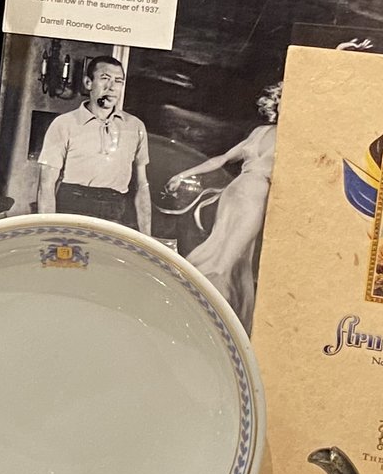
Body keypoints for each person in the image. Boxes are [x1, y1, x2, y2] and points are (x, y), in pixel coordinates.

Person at [167, 81, 280, 326]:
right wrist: (184, 175)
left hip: (257, 198)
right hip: (235, 193)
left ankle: (216, 318)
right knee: (218, 249)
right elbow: (223, 158)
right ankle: (198, 311)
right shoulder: (259, 131)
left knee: (231, 260)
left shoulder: (298, 141)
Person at [34, 55, 153, 233]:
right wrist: (48, 233)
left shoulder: (135, 126)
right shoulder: (64, 124)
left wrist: (147, 239)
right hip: (70, 209)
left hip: (114, 212)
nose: (111, 87)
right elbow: (46, 186)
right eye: (105, 79)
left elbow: (142, 186)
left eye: (118, 81)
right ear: (88, 83)